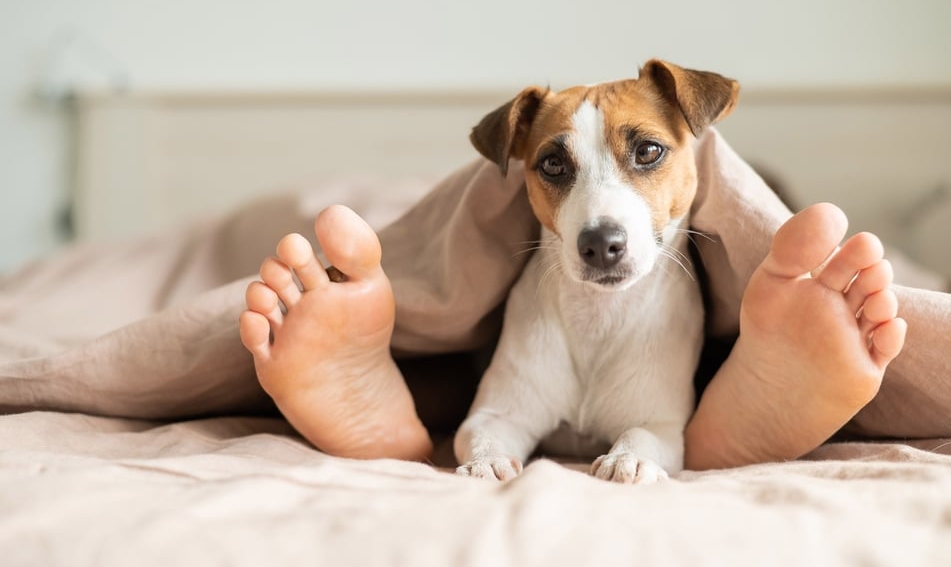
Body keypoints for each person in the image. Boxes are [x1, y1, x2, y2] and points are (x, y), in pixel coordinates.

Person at [238, 132, 920, 471]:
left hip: (688, 307)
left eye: (647, 153)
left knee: (785, 283)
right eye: (556, 167)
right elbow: (491, 419)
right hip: (519, 319)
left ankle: (751, 366)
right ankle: (386, 391)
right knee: (458, 367)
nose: (601, 225)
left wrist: (640, 443)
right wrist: (486, 442)